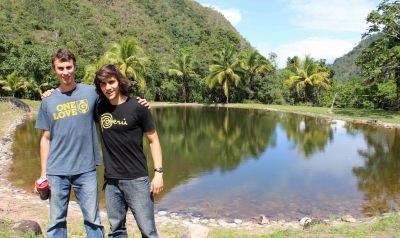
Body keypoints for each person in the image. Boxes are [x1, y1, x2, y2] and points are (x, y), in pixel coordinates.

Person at [35, 49, 149, 237]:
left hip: (86, 170)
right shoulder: (48, 101)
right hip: (56, 172)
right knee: (56, 222)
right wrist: (43, 174)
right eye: (61, 68)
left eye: (69, 67)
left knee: (93, 221)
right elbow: (45, 138)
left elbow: (116, 99)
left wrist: (138, 103)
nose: (66, 72)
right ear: (54, 70)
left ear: (75, 67)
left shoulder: (91, 93)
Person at [94, 64, 163, 238]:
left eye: (111, 82)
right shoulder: (99, 107)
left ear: (119, 81)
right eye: (103, 84)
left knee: (148, 231)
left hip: (137, 180)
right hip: (111, 181)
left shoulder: (138, 107)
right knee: (116, 230)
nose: (108, 87)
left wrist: (159, 173)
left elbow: (153, 140)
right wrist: (51, 94)